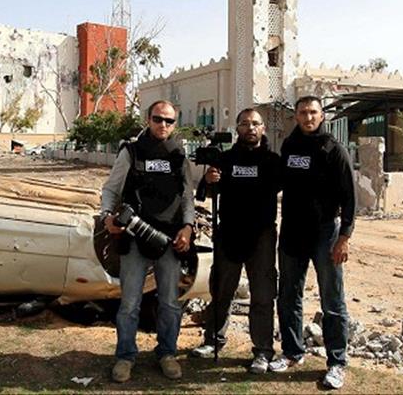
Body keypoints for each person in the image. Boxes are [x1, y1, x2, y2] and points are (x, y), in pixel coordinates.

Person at [100, 100, 196, 383]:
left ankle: (167, 353)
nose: (163, 125)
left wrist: (188, 228)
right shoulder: (130, 152)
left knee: (169, 302)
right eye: (158, 119)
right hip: (134, 237)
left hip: (169, 239)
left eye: (169, 121)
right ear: (148, 119)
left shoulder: (179, 155)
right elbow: (110, 189)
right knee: (130, 303)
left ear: (174, 124)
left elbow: (187, 198)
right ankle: (125, 356)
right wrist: (107, 216)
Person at [269, 95, 355, 390]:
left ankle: (336, 363)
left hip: (325, 234)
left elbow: (349, 199)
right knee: (289, 295)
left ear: (322, 116)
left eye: (313, 113)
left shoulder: (333, 149)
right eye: (303, 112)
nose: (308, 118)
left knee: (332, 299)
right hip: (292, 232)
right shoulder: (289, 146)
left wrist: (344, 238)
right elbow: (276, 181)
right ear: (296, 116)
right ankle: (292, 352)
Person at [191, 108, 280, 374]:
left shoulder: (273, 161)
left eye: (255, 124)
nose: (250, 128)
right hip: (228, 232)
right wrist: (208, 180)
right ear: (237, 129)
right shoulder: (224, 159)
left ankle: (262, 351)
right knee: (220, 290)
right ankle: (213, 340)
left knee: (263, 295)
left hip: (261, 236)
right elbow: (205, 194)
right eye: (244, 124)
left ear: (263, 128)